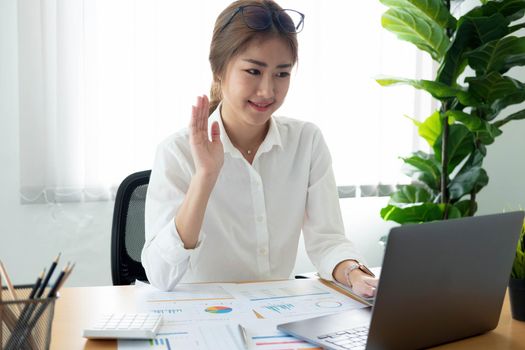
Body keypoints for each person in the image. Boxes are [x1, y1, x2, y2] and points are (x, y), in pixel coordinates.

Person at [141, 0, 378, 297]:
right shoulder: (176, 151)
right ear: (218, 70)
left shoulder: (306, 141)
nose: (268, 91)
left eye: (282, 73)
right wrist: (205, 175)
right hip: (203, 318)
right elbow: (160, 275)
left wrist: (356, 275)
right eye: (253, 71)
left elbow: (327, 240)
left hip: (277, 316)